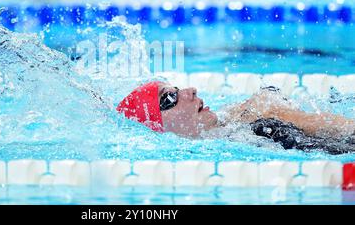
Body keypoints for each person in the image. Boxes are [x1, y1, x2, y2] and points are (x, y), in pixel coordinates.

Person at [116, 81, 355, 155]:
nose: (190, 91)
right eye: (169, 98)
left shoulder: (257, 122)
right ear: (157, 127)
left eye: (176, 88)